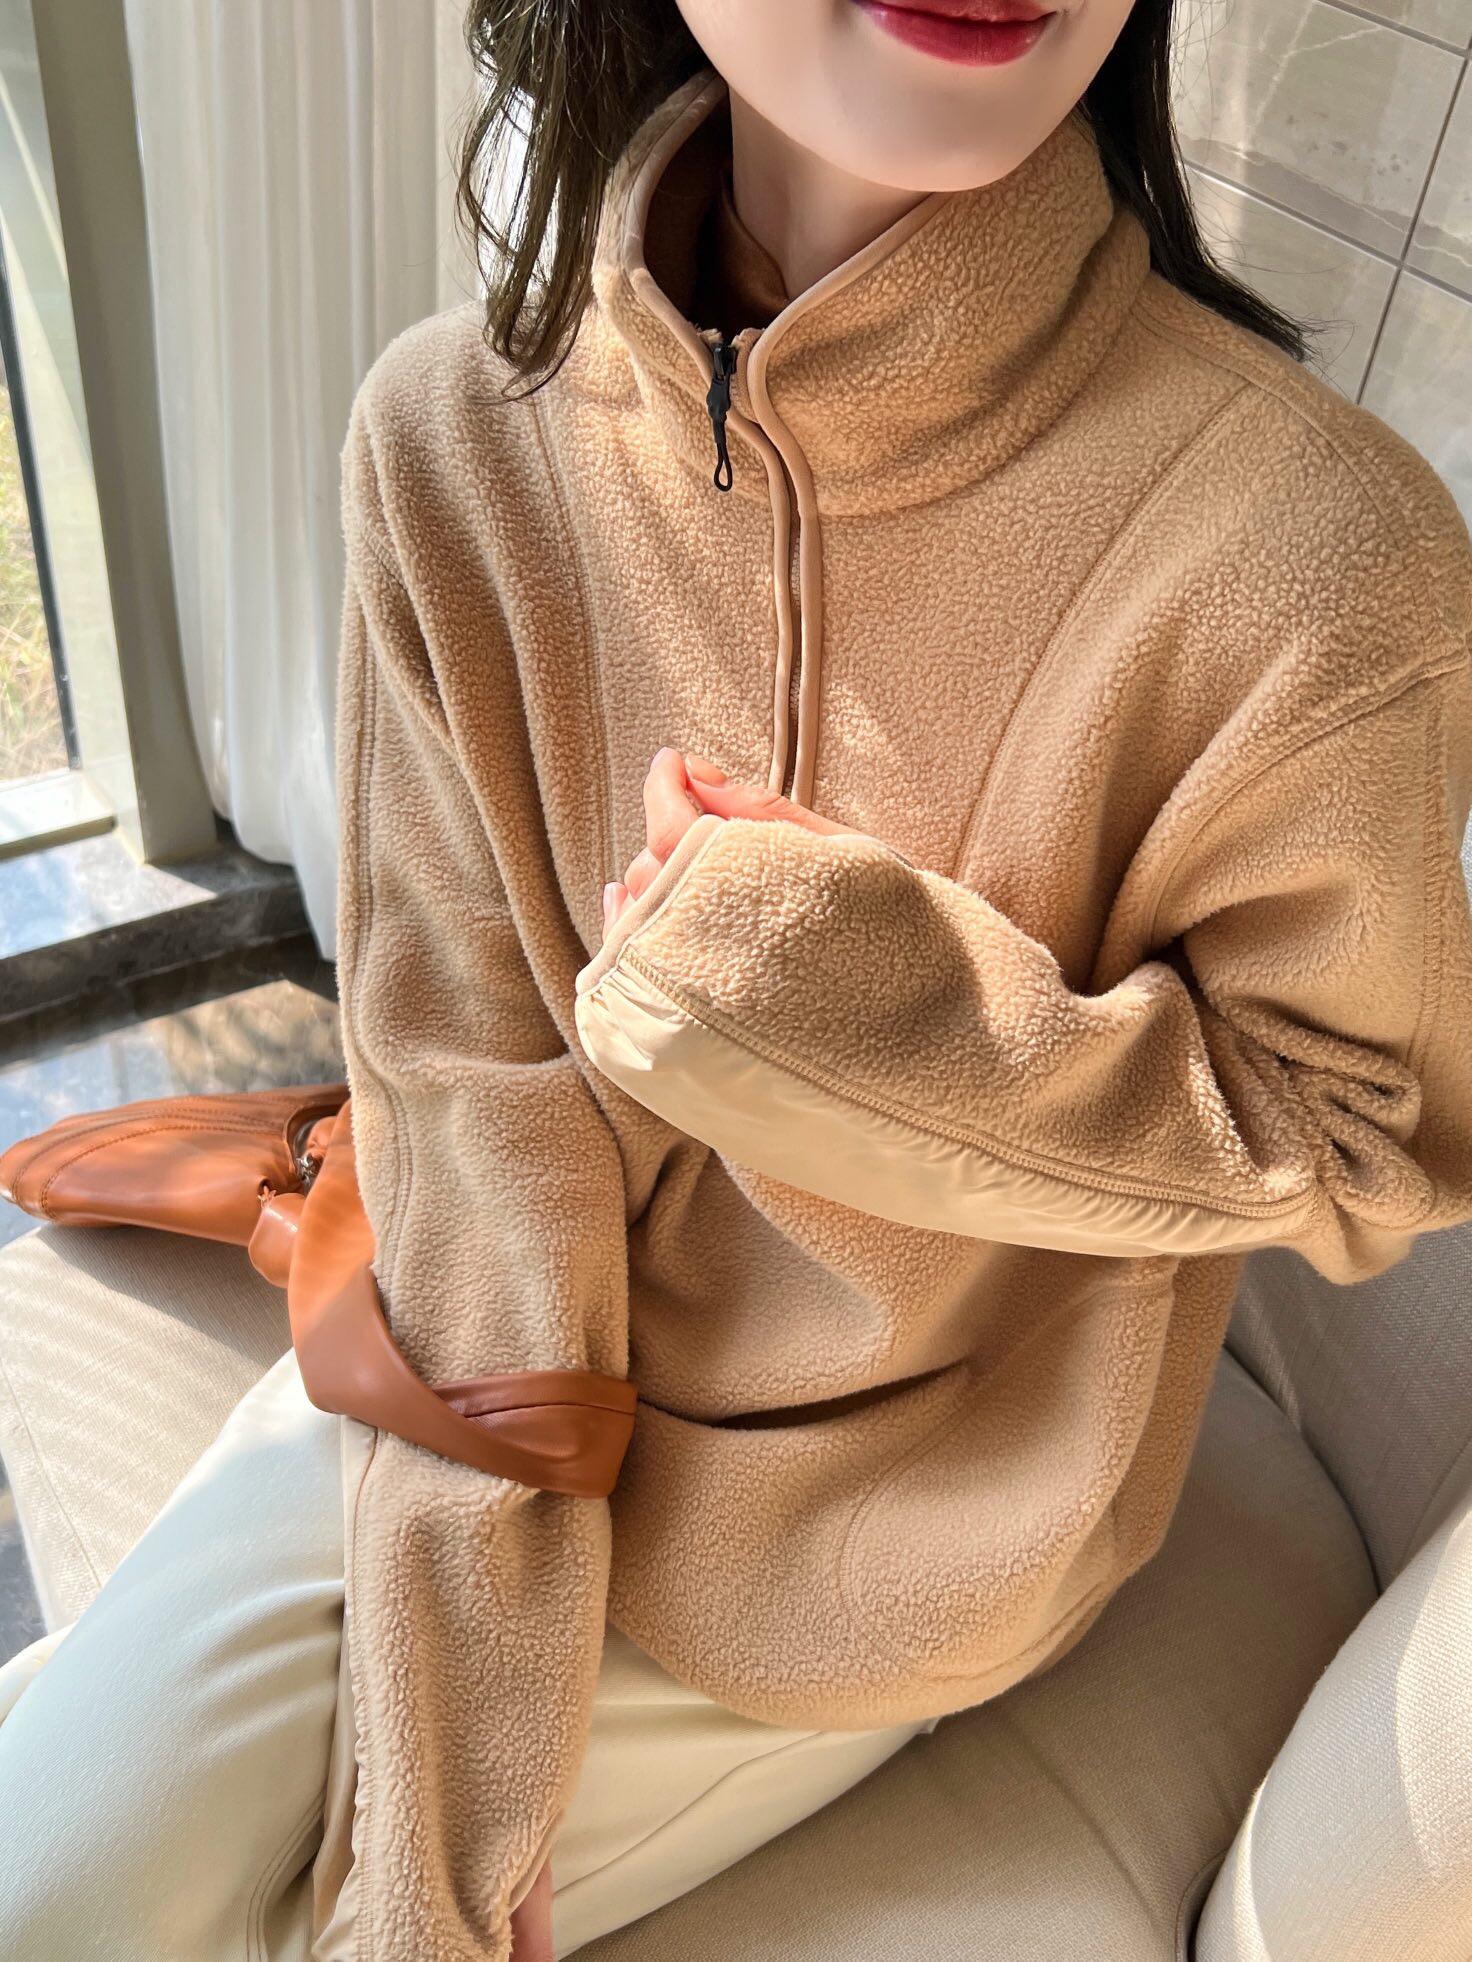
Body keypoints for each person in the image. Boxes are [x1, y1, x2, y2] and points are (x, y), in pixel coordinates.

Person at [4, 1, 1472, 1957]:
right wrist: (457, 1730)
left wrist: (845, 1008)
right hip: (458, 1365)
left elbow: (1367, 1138)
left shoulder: (1309, 549)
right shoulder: (454, 439)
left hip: (874, 1539)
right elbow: (467, 1094)